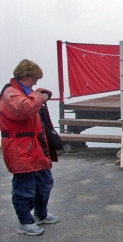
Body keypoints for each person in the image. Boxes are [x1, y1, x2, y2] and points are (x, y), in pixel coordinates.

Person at [0, 59, 59, 236]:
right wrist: (41, 96)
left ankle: (41, 214)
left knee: (45, 183)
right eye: (34, 79)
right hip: (21, 149)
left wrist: (37, 95)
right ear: (26, 76)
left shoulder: (24, 92)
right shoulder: (10, 94)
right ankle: (25, 222)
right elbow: (23, 109)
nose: (36, 83)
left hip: (35, 148)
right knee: (24, 189)